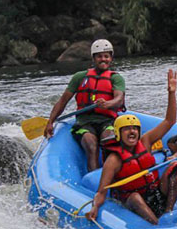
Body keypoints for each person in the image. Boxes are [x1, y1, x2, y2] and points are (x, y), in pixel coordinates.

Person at [86, 70, 177, 225]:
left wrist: (172, 93)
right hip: (132, 202)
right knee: (135, 197)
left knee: (174, 170)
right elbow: (101, 191)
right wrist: (95, 207)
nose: (132, 132)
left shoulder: (146, 141)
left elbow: (169, 121)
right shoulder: (114, 160)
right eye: (127, 129)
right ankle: (156, 227)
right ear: (118, 133)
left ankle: (169, 213)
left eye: (135, 128)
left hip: (154, 193)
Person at [44, 39, 126, 172]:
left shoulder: (115, 78)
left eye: (106, 56)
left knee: (109, 140)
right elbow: (62, 101)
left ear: (111, 58)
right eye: (99, 56)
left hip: (108, 121)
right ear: (93, 58)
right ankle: (94, 179)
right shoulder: (80, 77)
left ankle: (112, 175)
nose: (103, 59)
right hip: (84, 122)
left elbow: (119, 99)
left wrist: (107, 104)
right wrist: (50, 122)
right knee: (91, 145)